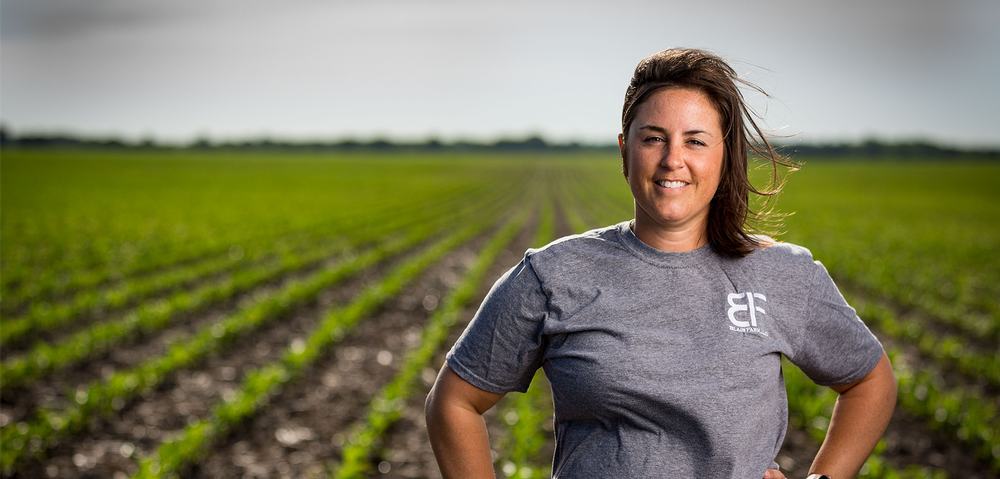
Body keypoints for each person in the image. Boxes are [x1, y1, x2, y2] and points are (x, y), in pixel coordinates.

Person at [425, 48, 897, 479]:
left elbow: (870, 380)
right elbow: (454, 403)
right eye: (654, 138)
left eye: (696, 141)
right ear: (624, 150)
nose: (673, 160)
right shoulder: (554, 275)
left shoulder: (782, 273)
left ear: (724, 157)